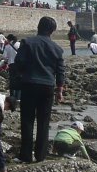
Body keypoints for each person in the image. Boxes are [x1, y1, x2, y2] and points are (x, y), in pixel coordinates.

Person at [12, 16, 65, 163]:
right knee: (43, 121)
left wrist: (23, 73)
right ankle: (40, 155)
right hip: (48, 86)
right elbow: (60, 71)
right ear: (53, 31)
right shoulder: (57, 49)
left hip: (29, 83)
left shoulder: (27, 42)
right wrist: (59, 90)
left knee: (27, 120)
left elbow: (19, 62)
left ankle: (26, 155)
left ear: (38, 27)